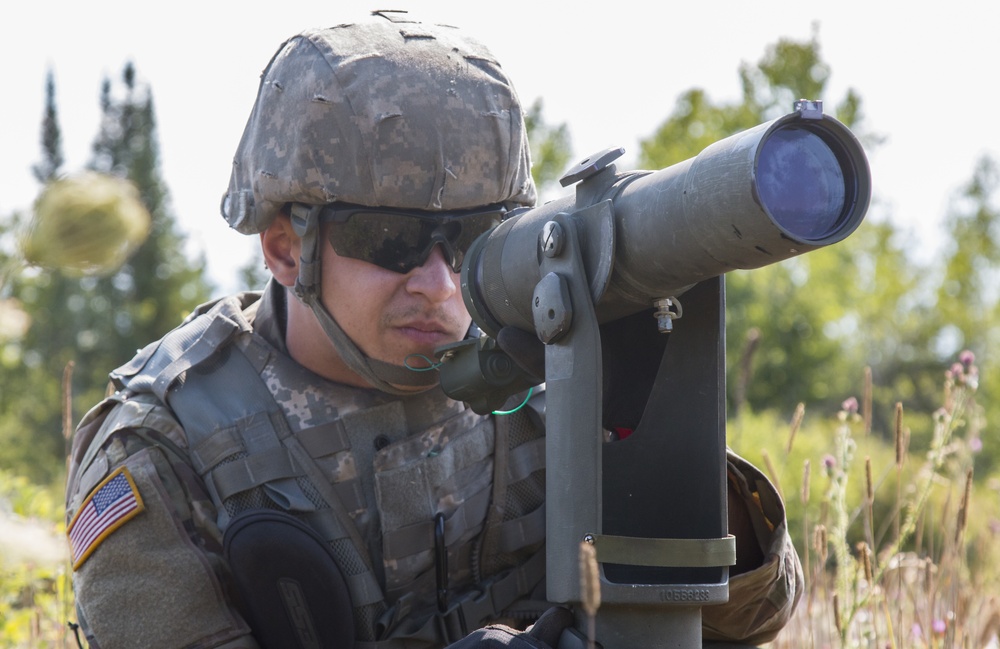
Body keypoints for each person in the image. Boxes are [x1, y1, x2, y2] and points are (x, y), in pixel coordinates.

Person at [65, 10, 802, 649]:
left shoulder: (546, 373)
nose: (440, 282)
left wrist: (656, 449)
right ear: (286, 247)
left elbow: (759, 615)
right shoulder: (165, 447)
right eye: (389, 239)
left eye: (477, 237)